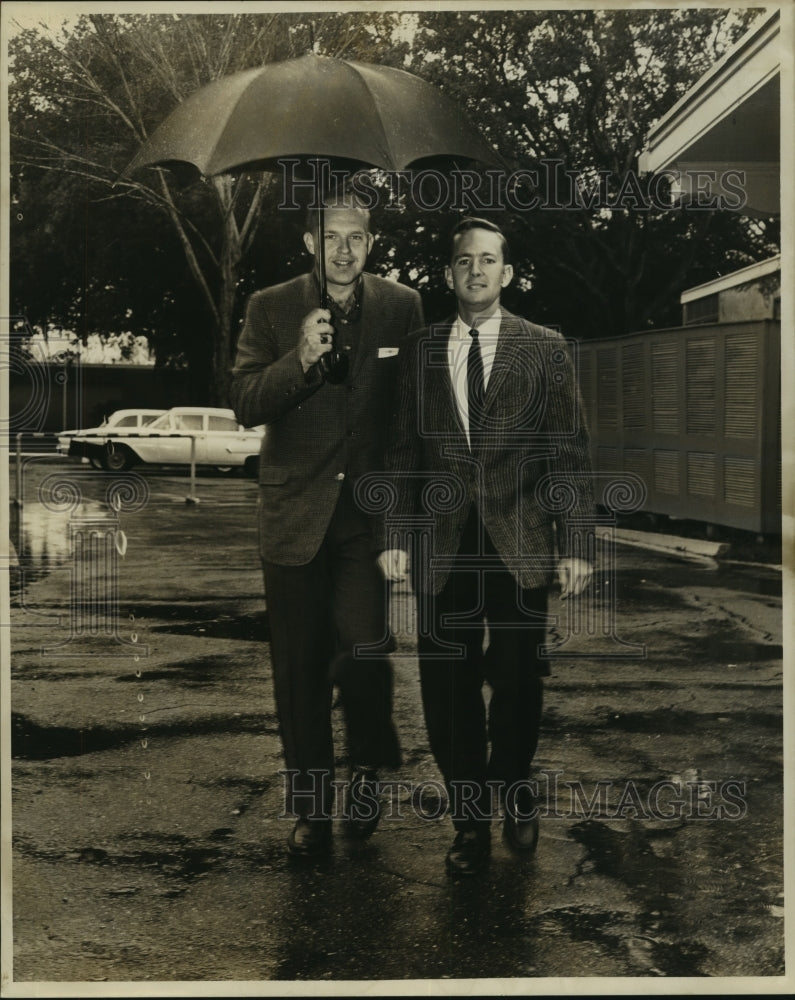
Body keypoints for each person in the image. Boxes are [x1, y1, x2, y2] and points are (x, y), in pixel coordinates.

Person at [377, 216, 594, 876]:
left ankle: (515, 787)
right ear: (448, 275)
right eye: (464, 260)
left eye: (489, 259)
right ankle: (470, 819)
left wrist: (575, 543)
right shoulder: (417, 351)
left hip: (518, 543)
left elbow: (568, 452)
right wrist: (393, 537)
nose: (476, 269)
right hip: (442, 547)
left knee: (518, 681)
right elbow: (399, 452)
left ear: (506, 273)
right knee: (445, 688)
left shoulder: (545, 348)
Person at [230, 191, 424, 858]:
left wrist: (400, 529)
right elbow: (245, 403)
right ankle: (311, 805)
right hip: (293, 514)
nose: (344, 249)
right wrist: (300, 362)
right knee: (299, 668)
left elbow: (405, 426)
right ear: (310, 243)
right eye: (331, 237)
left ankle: (365, 771)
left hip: (366, 521)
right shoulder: (271, 306)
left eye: (357, 238)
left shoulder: (402, 307)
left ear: (371, 244)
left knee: (366, 651)